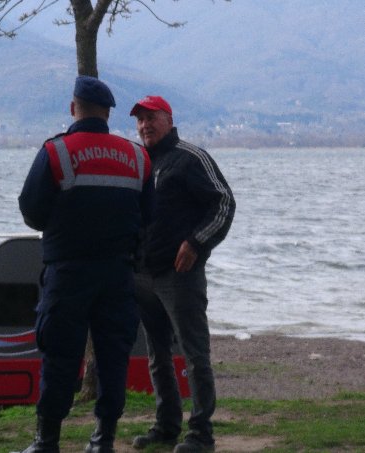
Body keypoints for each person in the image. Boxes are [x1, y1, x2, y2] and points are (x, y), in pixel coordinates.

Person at [17, 76, 155, 453]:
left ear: (72, 108)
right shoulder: (137, 157)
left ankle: (47, 441)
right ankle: (103, 439)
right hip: (118, 274)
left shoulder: (56, 152)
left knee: (60, 356)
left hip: (68, 271)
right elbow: (148, 216)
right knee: (113, 358)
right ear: (109, 114)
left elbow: (31, 211)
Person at [128, 96, 235, 453]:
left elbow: (223, 202)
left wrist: (196, 243)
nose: (145, 126)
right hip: (144, 274)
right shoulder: (141, 162)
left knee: (194, 354)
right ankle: (166, 425)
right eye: (140, 120)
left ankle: (201, 433)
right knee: (157, 356)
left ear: (169, 120)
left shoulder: (191, 157)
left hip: (180, 275)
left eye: (151, 118)